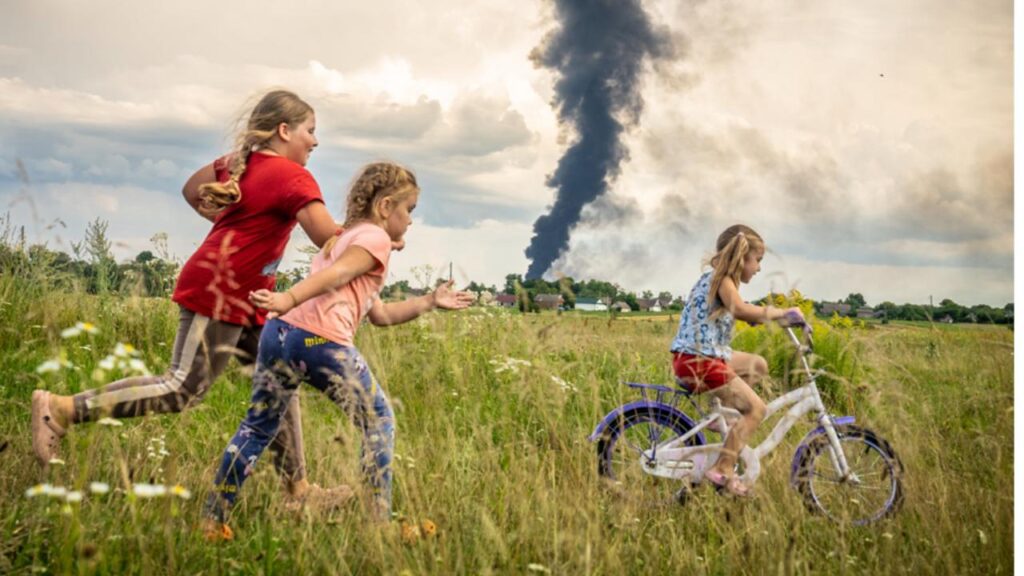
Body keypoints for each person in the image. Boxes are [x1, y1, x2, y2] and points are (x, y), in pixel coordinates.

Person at [31, 89, 345, 506]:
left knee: (280, 381)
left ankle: (298, 491)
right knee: (182, 387)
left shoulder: (241, 164)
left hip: (252, 299)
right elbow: (328, 239)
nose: (315, 141)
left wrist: (231, 222)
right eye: (311, 131)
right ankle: (62, 408)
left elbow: (191, 188)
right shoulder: (292, 176)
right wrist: (376, 234)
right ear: (285, 130)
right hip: (218, 291)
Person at [202, 161, 474, 538]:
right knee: (379, 421)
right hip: (318, 340)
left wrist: (430, 300)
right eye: (408, 211)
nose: (410, 222)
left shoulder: (345, 238)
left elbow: (379, 314)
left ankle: (213, 519)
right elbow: (338, 275)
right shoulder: (373, 240)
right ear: (385, 206)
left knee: (258, 425)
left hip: (280, 334)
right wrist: (288, 296)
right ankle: (378, 528)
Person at [669, 224, 804, 497]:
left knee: (759, 365)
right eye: (758, 260)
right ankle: (723, 469)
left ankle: (727, 420)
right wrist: (781, 313)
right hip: (700, 362)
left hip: (702, 356)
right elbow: (739, 309)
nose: (758, 268)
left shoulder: (718, 280)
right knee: (757, 410)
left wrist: (758, 318)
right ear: (742, 257)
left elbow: (734, 310)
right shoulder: (722, 279)